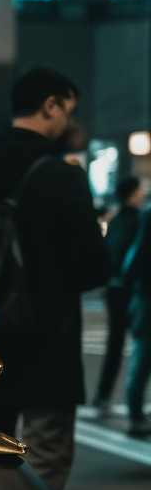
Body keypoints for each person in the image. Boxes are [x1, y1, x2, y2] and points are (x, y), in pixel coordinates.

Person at [0, 68, 110, 490]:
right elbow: (94, 267)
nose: (68, 120)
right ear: (51, 105)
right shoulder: (62, 177)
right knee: (45, 463)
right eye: (68, 109)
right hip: (48, 342)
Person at [94, 175, 144, 412]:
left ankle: (102, 395)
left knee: (114, 343)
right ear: (133, 193)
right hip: (132, 290)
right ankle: (135, 401)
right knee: (143, 344)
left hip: (112, 288)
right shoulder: (139, 220)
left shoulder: (114, 221)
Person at [122, 204, 151, 435]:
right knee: (142, 357)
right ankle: (135, 416)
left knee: (142, 357)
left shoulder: (147, 214)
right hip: (146, 299)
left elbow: (133, 261)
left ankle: (135, 415)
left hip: (144, 296)